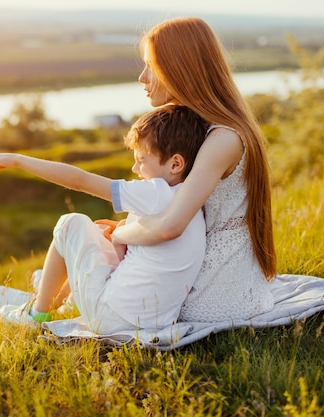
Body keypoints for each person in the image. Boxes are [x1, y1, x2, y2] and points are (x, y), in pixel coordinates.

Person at [0, 104, 208, 333]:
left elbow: (79, 181)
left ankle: (36, 313)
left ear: (175, 163)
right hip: (151, 319)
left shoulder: (155, 192)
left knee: (70, 224)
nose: (135, 169)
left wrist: (18, 160)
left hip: (112, 318)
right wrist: (123, 227)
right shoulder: (188, 199)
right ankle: (51, 297)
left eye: (142, 161)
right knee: (97, 233)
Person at [110, 16, 277, 322]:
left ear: (180, 69)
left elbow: (170, 226)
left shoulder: (223, 138)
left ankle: (44, 301)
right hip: (199, 275)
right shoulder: (205, 126)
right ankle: (48, 291)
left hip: (211, 294)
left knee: (101, 242)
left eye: (152, 66)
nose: (142, 78)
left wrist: (121, 234)